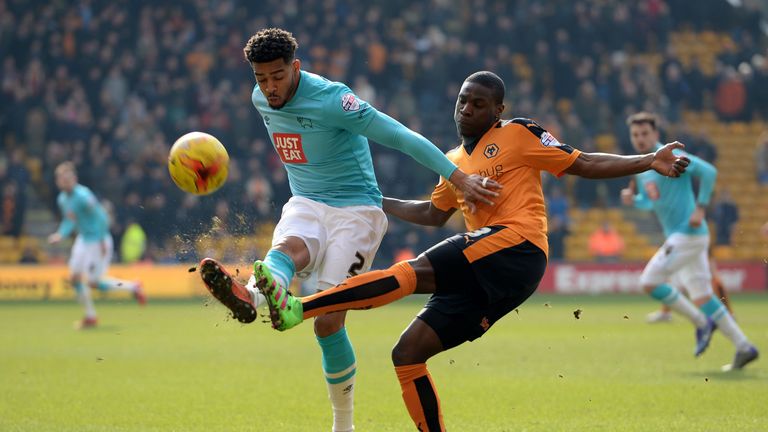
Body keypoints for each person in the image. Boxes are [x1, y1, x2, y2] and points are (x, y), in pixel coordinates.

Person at [200, 71, 693, 431]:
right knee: (406, 354)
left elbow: (583, 162)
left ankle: (293, 309)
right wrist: (374, 200)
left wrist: (648, 160)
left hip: (517, 245)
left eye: (478, 104)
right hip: (490, 275)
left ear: (497, 110)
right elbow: (435, 214)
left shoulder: (519, 134)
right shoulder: (454, 161)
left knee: (414, 270)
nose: (466, 110)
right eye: (462, 101)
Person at [198, 29, 495, 432]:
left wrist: (458, 177)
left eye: (278, 76)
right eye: (261, 78)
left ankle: (343, 425)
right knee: (288, 248)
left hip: (356, 211)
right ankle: (254, 295)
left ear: (296, 67)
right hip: (305, 200)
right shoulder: (259, 99)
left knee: (327, 321)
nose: (269, 87)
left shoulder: (334, 100)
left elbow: (399, 136)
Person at [620, 112, 758, 370]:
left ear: (655, 134)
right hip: (686, 237)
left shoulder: (666, 155)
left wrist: (701, 207)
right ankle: (744, 347)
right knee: (704, 296)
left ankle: (701, 322)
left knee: (649, 282)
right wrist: (634, 200)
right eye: (635, 134)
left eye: (645, 134)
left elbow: (708, 172)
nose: (640, 139)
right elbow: (651, 202)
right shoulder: (644, 166)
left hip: (687, 232)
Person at [48, 162, 146, 329]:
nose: (66, 182)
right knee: (75, 278)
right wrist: (60, 234)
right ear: (58, 181)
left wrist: (101, 239)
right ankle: (90, 316)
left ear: (74, 178)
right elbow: (70, 220)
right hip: (83, 239)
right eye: (63, 180)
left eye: (69, 179)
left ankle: (133, 287)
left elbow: (101, 216)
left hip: (98, 240)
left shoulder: (83, 195)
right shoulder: (63, 199)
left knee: (94, 283)